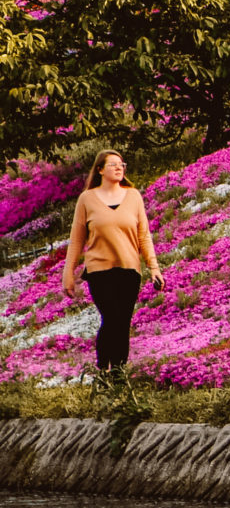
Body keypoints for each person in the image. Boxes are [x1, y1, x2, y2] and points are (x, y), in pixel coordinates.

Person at [61, 149, 160, 375]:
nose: (119, 167)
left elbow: (144, 235)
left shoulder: (134, 196)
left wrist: (154, 268)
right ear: (100, 169)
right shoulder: (87, 199)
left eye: (121, 164)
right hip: (99, 271)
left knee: (122, 321)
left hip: (129, 270)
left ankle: (117, 374)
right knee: (112, 316)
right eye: (113, 164)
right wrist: (68, 274)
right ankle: (103, 367)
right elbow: (76, 241)